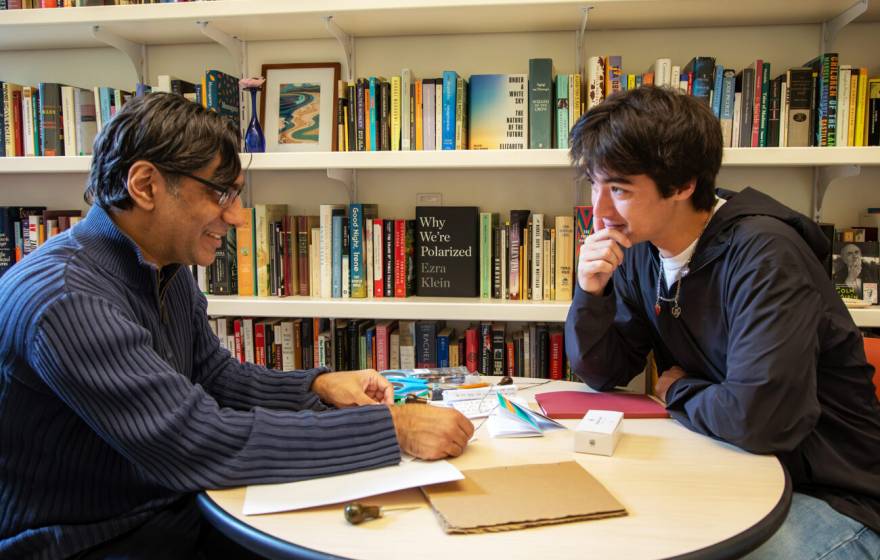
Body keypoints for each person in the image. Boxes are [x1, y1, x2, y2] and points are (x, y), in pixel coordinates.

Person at [0, 93, 473, 559]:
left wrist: (319, 386)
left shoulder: (162, 264)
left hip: (168, 510)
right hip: (88, 541)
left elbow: (213, 378)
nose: (238, 217)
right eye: (220, 192)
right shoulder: (66, 299)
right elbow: (194, 440)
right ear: (145, 185)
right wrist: (391, 428)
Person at [565, 86, 880, 559]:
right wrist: (591, 293)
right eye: (595, 183)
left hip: (831, 498)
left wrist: (676, 390)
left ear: (685, 184)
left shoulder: (766, 255)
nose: (600, 211)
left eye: (620, 190)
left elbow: (760, 421)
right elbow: (603, 371)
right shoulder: (639, 251)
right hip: (733, 468)